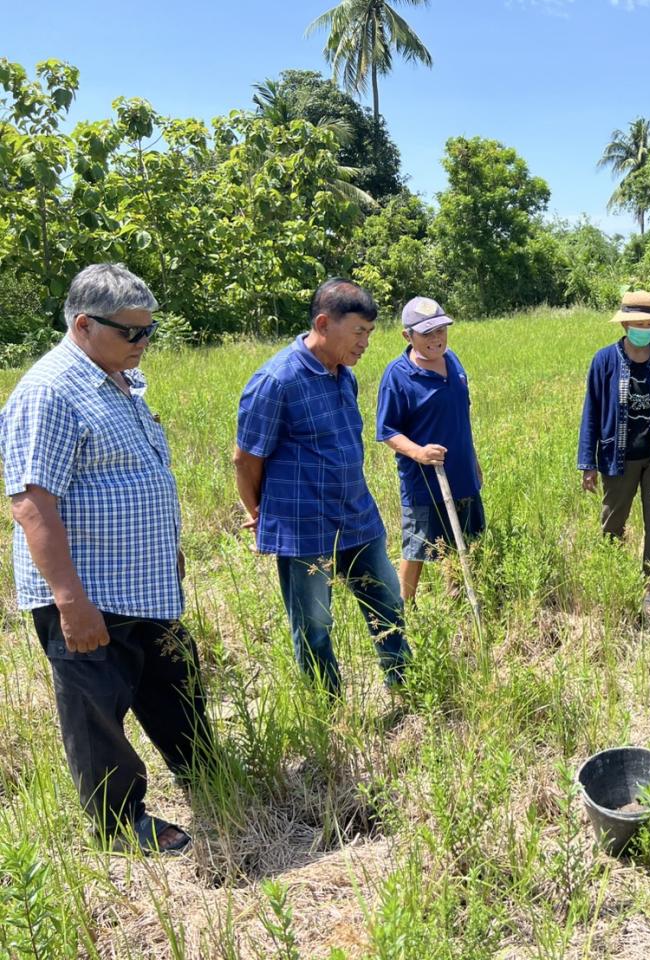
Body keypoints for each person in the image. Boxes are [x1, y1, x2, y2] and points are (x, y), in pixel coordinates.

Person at [0, 263, 211, 854]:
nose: (144, 344)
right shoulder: (50, 392)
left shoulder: (116, 379)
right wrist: (70, 600)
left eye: (150, 332)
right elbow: (33, 504)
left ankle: (208, 779)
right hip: (89, 591)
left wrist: (167, 551)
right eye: (132, 333)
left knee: (176, 684)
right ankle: (121, 824)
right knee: (96, 715)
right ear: (85, 324)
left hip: (143, 583)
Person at [234, 279, 411, 697]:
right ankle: (328, 712)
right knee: (314, 626)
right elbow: (245, 458)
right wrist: (258, 513)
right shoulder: (276, 381)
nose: (365, 342)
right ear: (323, 323)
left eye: (370, 333)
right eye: (358, 332)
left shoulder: (343, 375)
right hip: (305, 530)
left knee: (388, 606)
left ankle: (406, 687)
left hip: (357, 518)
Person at [577, 290, 650, 603]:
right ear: (625, 325)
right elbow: (591, 412)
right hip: (618, 459)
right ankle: (612, 579)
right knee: (612, 521)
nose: (644, 328)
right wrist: (587, 462)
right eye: (638, 322)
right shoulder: (604, 360)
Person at [376, 296, 484, 603]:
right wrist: (419, 453)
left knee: (463, 539)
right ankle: (402, 611)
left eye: (440, 330)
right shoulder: (397, 375)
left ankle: (457, 599)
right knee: (417, 548)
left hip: (462, 473)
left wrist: (473, 459)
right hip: (424, 480)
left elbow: (461, 415)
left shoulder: (453, 361)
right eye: (426, 333)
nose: (436, 339)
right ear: (407, 336)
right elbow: (387, 431)